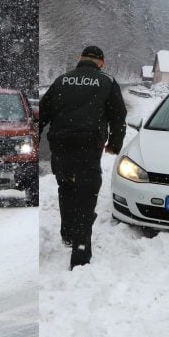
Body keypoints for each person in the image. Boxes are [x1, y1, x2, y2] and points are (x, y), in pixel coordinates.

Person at [39, 45, 127, 270]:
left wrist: (33, 139)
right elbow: (118, 116)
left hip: (60, 144)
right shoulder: (107, 81)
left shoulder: (62, 80)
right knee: (86, 195)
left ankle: (68, 232)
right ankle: (80, 253)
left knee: (66, 187)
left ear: (80, 59)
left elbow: (43, 112)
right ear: (102, 62)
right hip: (88, 145)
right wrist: (114, 144)